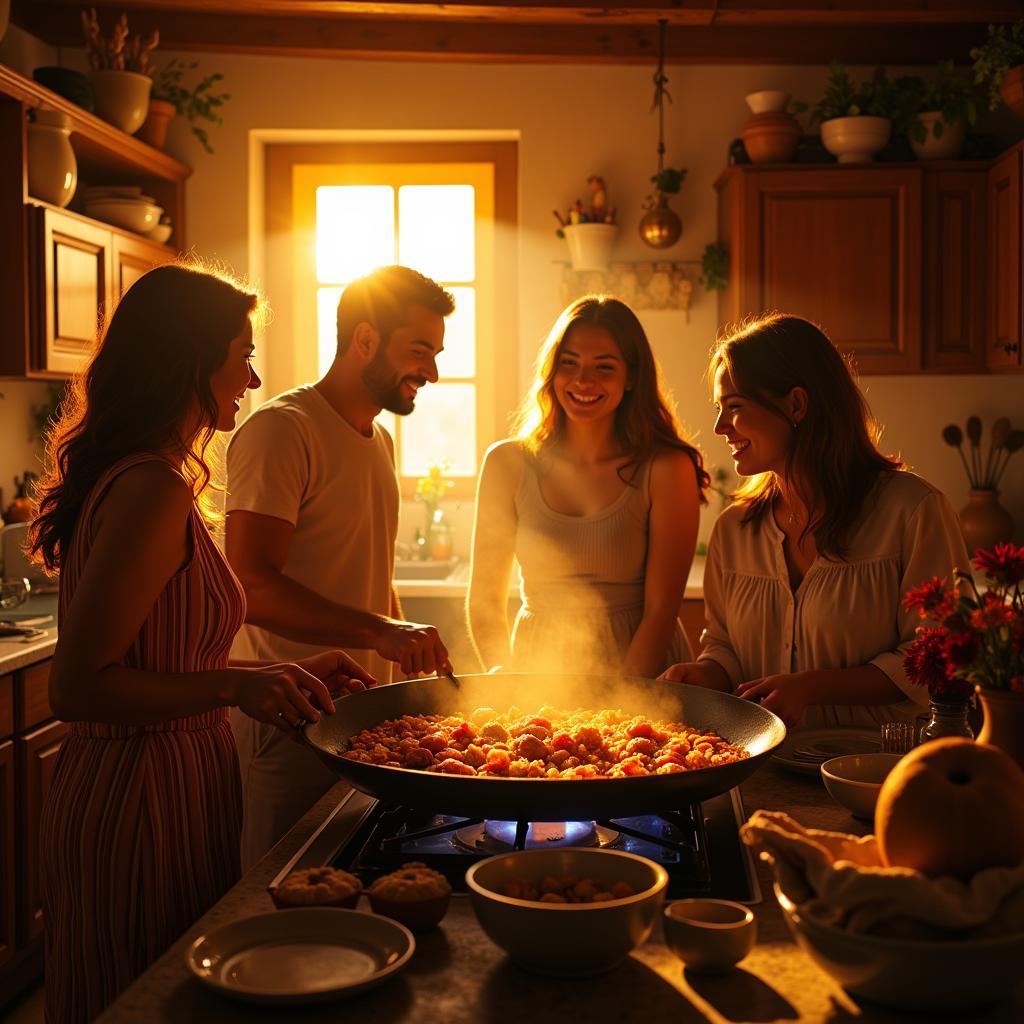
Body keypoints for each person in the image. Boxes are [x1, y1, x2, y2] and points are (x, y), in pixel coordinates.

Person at [28, 263, 371, 1023]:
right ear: (191, 359)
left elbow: (165, 653)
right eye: (241, 353)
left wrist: (272, 669)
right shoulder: (153, 488)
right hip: (137, 795)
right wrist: (231, 687)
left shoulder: (155, 477)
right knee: (139, 1001)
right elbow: (79, 686)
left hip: (176, 779)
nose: (251, 376)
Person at [226, 264, 456, 869]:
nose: (431, 371)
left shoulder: (377, 441)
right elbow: (249, 586)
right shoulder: (282, 431)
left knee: (356, 887)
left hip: (363, 719)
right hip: (288, 718)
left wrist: (410, 667)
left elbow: (372, 581)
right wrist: (381, 631)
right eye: (419, 350)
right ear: (364, 340)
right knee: (281, 892)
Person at [660, 313, 970, 729]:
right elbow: (725, 649)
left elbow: (936, 657)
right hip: (765, 765)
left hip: (878, 769)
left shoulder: (913, 512)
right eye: (720, 409)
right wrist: (705, 674)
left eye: (734, 407)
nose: (719, 427)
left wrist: (812, 687)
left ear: (796, 405)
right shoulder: (734, 530)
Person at [467, 295, 709, 678]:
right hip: (537, 667)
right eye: (570, 363)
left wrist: (623, 703)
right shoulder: (506, 463)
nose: (583, 380)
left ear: (631, 377)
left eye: (604, 367)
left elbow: (661, 612)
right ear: (552, 370)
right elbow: (483, 600)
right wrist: (503, 675)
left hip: (641, 668)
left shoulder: (666, 467)